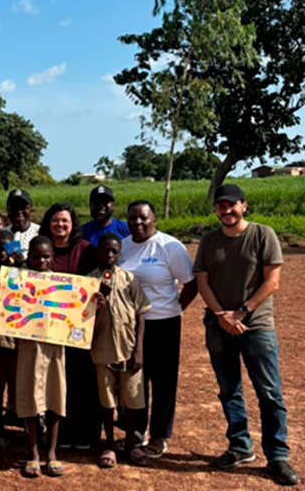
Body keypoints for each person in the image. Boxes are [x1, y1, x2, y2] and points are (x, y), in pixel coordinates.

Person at [193, 184, 299, 486]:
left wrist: (241, 312)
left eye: (232, 205)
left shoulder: (263, 235)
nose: (226, 211)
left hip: (256, 326)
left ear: (244, 205)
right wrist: (222, 316)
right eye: (221, 206)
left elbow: (272, 282)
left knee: (269, 392)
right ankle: (240, 446)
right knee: (229, 390)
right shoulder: (209, 241)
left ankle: (277, 456)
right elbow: (202, 283)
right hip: (219, 325)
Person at [120, 200, 197, 458]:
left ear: (154, 219)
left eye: (143, 217)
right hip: (130, 326)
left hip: (164, 323)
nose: (138, 223)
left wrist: (176, 307)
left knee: (163, 381)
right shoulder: (123, 246)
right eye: (133, 218)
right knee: (135, 380)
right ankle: (136, 431)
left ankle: (159, 435)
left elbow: (191, 283)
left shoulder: (170, 247)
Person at [38, 203, 99, 450]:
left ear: (73, 224)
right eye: (55, 220)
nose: (60, 225)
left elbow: (100, 279)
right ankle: (60, 434)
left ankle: (85, 433)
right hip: (47, 330)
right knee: (56, 380)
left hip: (79, 329)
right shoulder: (41, 250)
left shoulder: (87, 250)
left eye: (65, 220)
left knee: (82, 380)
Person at [89, 232, 151, 469]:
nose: (110, 255)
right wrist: (96, 304)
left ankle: (131, 443)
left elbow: (141, 313)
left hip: (128, 349)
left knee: (133, 398)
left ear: (119, 254)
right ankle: (109, 444)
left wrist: (139, 350)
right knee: (106, 400)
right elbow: (80, 320)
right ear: (98, 252)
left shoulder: (128, 279)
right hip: (102, 350)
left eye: (114, 251)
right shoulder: (89, 282)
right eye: (105, 250)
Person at [12, 236, 67, 478]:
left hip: (55, 349)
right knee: (30, 401)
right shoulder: (18, 282)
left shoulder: (64, 285)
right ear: (29, 257)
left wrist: (91, 304)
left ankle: (51, 453)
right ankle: (33, 454)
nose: (41, 261)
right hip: (28, 348)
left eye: (46, 256)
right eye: (36, 257)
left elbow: (74, 313)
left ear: (52, 257)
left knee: (55, 399)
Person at [0, 229, 20, 452]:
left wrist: (22, 266)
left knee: (21, 384)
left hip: (18, 339)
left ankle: (25, 424)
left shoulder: (23, 273)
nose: (3, 253)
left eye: (7, 248)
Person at [6, 189, 40, 258]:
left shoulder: (40, 232)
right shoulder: (3, 234)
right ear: (8, 211)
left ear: (31, 210)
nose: (19, 211)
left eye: (23, 208)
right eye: (14, 208)